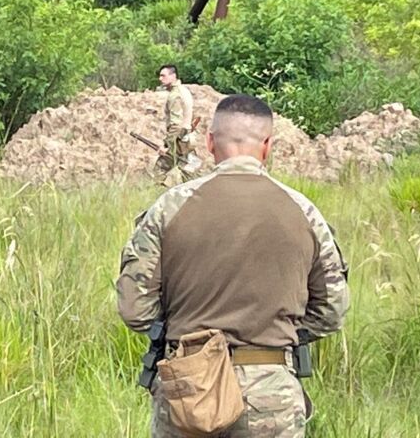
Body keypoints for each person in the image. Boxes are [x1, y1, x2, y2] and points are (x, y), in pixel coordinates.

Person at [117, 94, 349, 438]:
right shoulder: (304, 212)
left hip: (189, 387)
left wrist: (186, 333)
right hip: (271, 390)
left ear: (210, 142)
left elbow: (135, 309)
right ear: (267, 145)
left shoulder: (169, 208)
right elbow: (332, 311)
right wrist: (277, 335)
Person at [155, 64, 201, 185]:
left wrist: (167, 146)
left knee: (159, 171)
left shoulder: (175, 95)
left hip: (179, 140)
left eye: (163, 75)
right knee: (189, 174)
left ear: (173, 76)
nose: (160, 79)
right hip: (187, 138)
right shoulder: (184, 91)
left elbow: (176, 125)